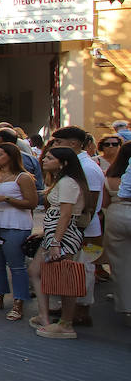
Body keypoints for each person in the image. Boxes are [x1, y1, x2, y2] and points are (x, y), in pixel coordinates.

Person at [29, 147, 91, 339]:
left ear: (63, 163)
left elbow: (65, 214)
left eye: (50, 158)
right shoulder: (63, 181)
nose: (44, 160)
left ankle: (66, 323)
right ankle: (45, 316)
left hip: (63, 237)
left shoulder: (68, 183)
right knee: (36, 271)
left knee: (64, 278)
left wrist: (55, 241)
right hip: (55, 235)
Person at [48, 125, 105, 327]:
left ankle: (80, 310)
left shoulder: (87, 168)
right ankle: (70, 307)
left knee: (83, 269)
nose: (54, 146)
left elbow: (90, 202)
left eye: (58, 143)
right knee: (73, 270)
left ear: (72, 144)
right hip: (75, 229)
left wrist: (76, 230)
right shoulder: (75, 166)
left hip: (82, 229)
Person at [0, 141, 37, 321]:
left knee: (16, 264)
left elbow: (32, 202)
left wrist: (8, 199)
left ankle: (19, 301)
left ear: (11, 156)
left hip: (15, 224)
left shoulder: (23, 177)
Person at [103, 142, 131, 314]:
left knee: (120, 264)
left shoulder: (111, 175)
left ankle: (127, 307)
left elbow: (104, 203)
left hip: (116, 213)